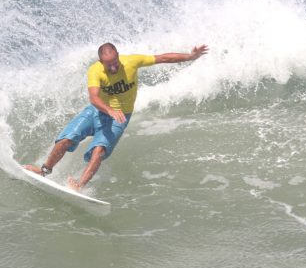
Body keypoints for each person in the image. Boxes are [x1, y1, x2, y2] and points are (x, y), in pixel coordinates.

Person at [24, 43, 209, 190]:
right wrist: (109, 109)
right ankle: (44, 171)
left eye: (115, 61)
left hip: (119, 117)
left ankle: (79, 186)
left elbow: (162, 58)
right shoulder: (95, 71)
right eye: (108, 63)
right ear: (100, 61)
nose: (113, 66)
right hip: (96, 111)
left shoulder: (131, 62)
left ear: (118, 55)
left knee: (99, 151)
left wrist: (190, 56)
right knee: (65, 140)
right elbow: (94, 98)